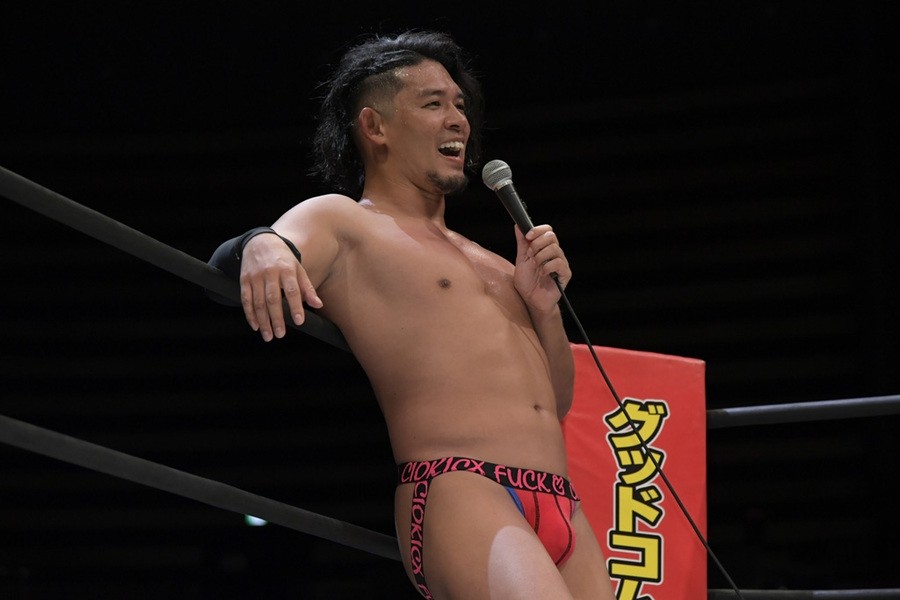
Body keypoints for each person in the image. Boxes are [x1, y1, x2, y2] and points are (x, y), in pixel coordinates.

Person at [209, 30, 615, 600]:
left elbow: (560, 402)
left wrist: (545, 311)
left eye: (460, 105)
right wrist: (259, 243)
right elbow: (259, 253)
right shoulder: (345, 221)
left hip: (561, 500)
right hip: (463, 487)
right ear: (374, 127)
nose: (458, 120)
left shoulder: (497, 263)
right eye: (433, 104)